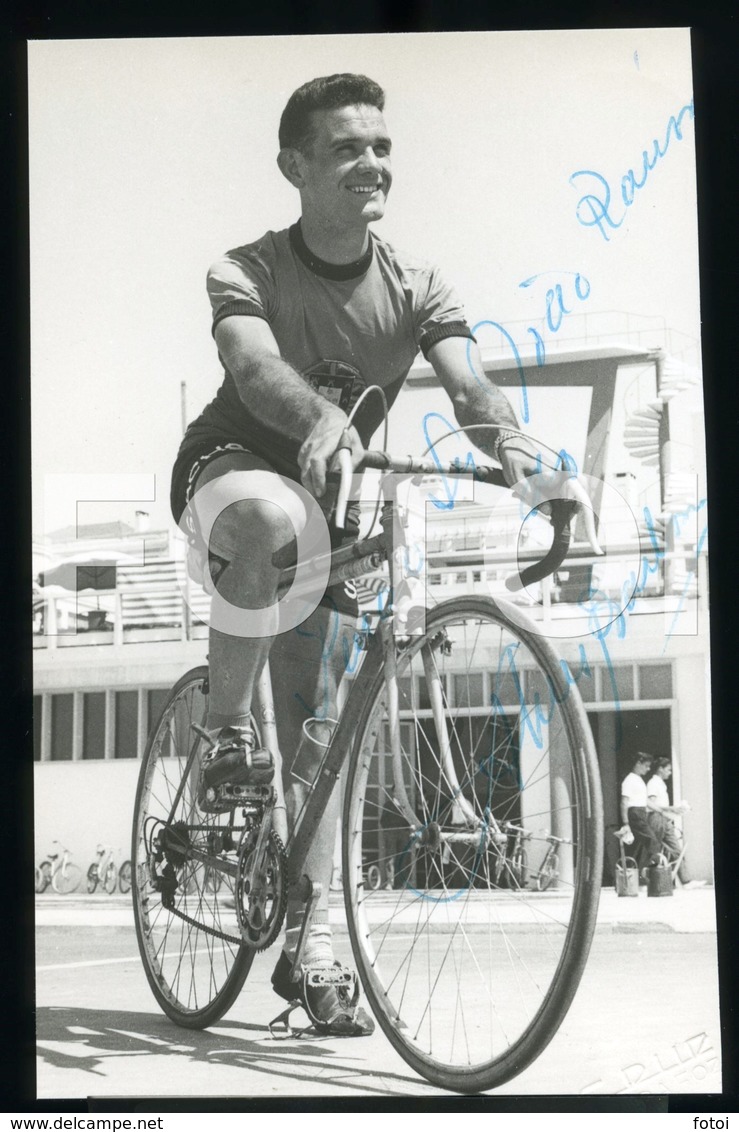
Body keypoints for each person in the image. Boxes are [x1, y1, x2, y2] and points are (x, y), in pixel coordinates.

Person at [170, 73, 598, 1036]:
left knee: (322, 734)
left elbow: (469, 389)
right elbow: (250, 364)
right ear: (294, 166)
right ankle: (225, 731)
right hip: (234, 469)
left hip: (341, 498)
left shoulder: (417, 283)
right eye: (347, 148)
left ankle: (310, 941)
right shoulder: (246, 267)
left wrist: (523, 454)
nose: (374, 164)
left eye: (383, 148)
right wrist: (318, 414)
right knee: (270, 518)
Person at [647, 757, 690, 883]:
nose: (670, 773)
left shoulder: (660, 783)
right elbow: (652, 804)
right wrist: (672, 808)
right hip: (655, 818)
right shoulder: (653, 783)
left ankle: (685, 880)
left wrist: (672, 811)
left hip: (664, 819)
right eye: (668, 770)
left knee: (676, 849)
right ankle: (646, 880)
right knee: (653, 850)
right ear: (660, 769)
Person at [620, 752, 662, 878]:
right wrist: (626, 823)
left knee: (637, 847)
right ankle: (646, 872)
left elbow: (645, 801)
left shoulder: (639, 780)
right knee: (652, 841)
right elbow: (624, 802)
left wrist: (662, 810)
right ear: (638, 763)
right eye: (646, 766)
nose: (648, 769)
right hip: (635, 814)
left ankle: (630, 876)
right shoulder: (629, 780)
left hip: (641, 812)